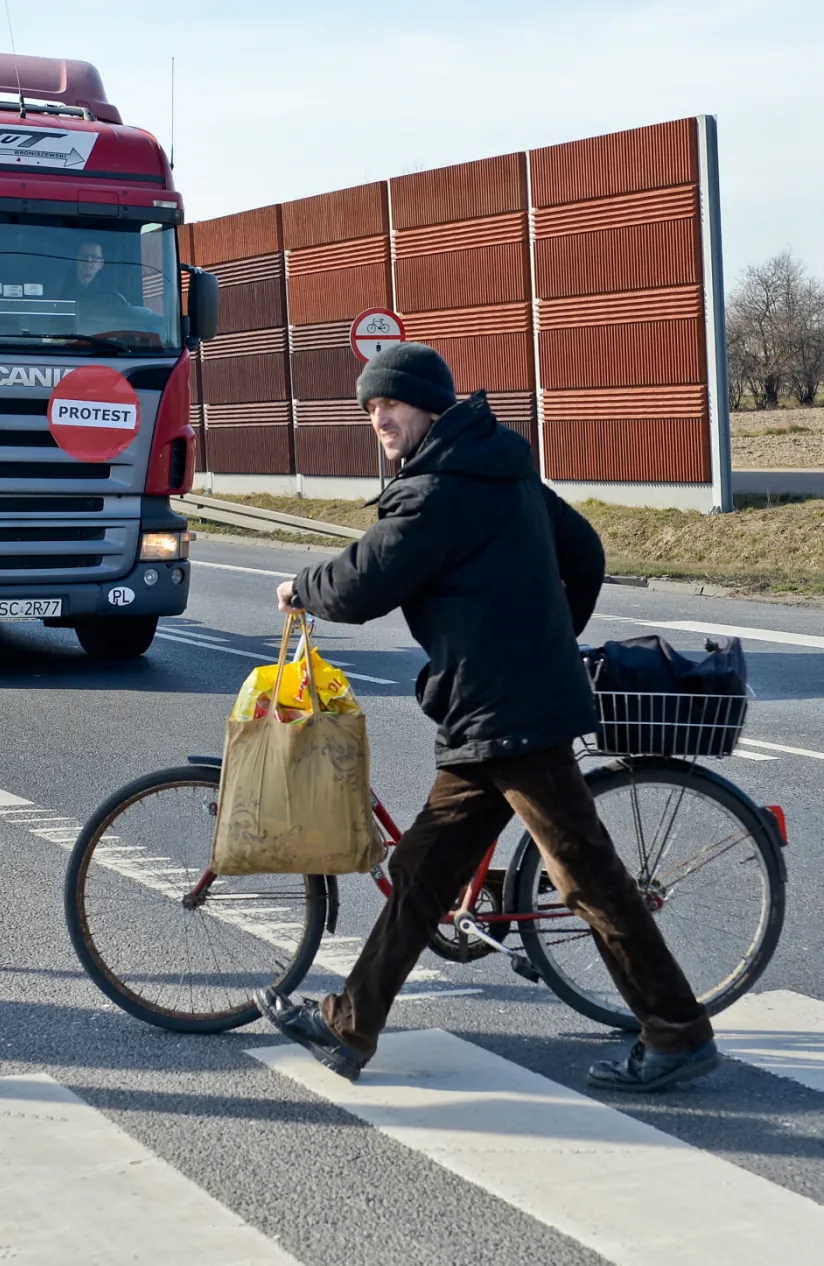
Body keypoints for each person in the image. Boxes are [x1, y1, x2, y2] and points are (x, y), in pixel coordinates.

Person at [260, 342, 718, 1093]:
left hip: (512, 712)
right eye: (370, 408)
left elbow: (364, 582)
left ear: (428, 407)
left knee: (586, 875)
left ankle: (677, 1032)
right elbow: (585, 552)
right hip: (494, 708)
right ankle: (350, 1024)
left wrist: (301, 587)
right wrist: (549, 638)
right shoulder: (498, 465)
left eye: (390, 404)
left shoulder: (439, 488)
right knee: (423, 869)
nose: (378, 419)